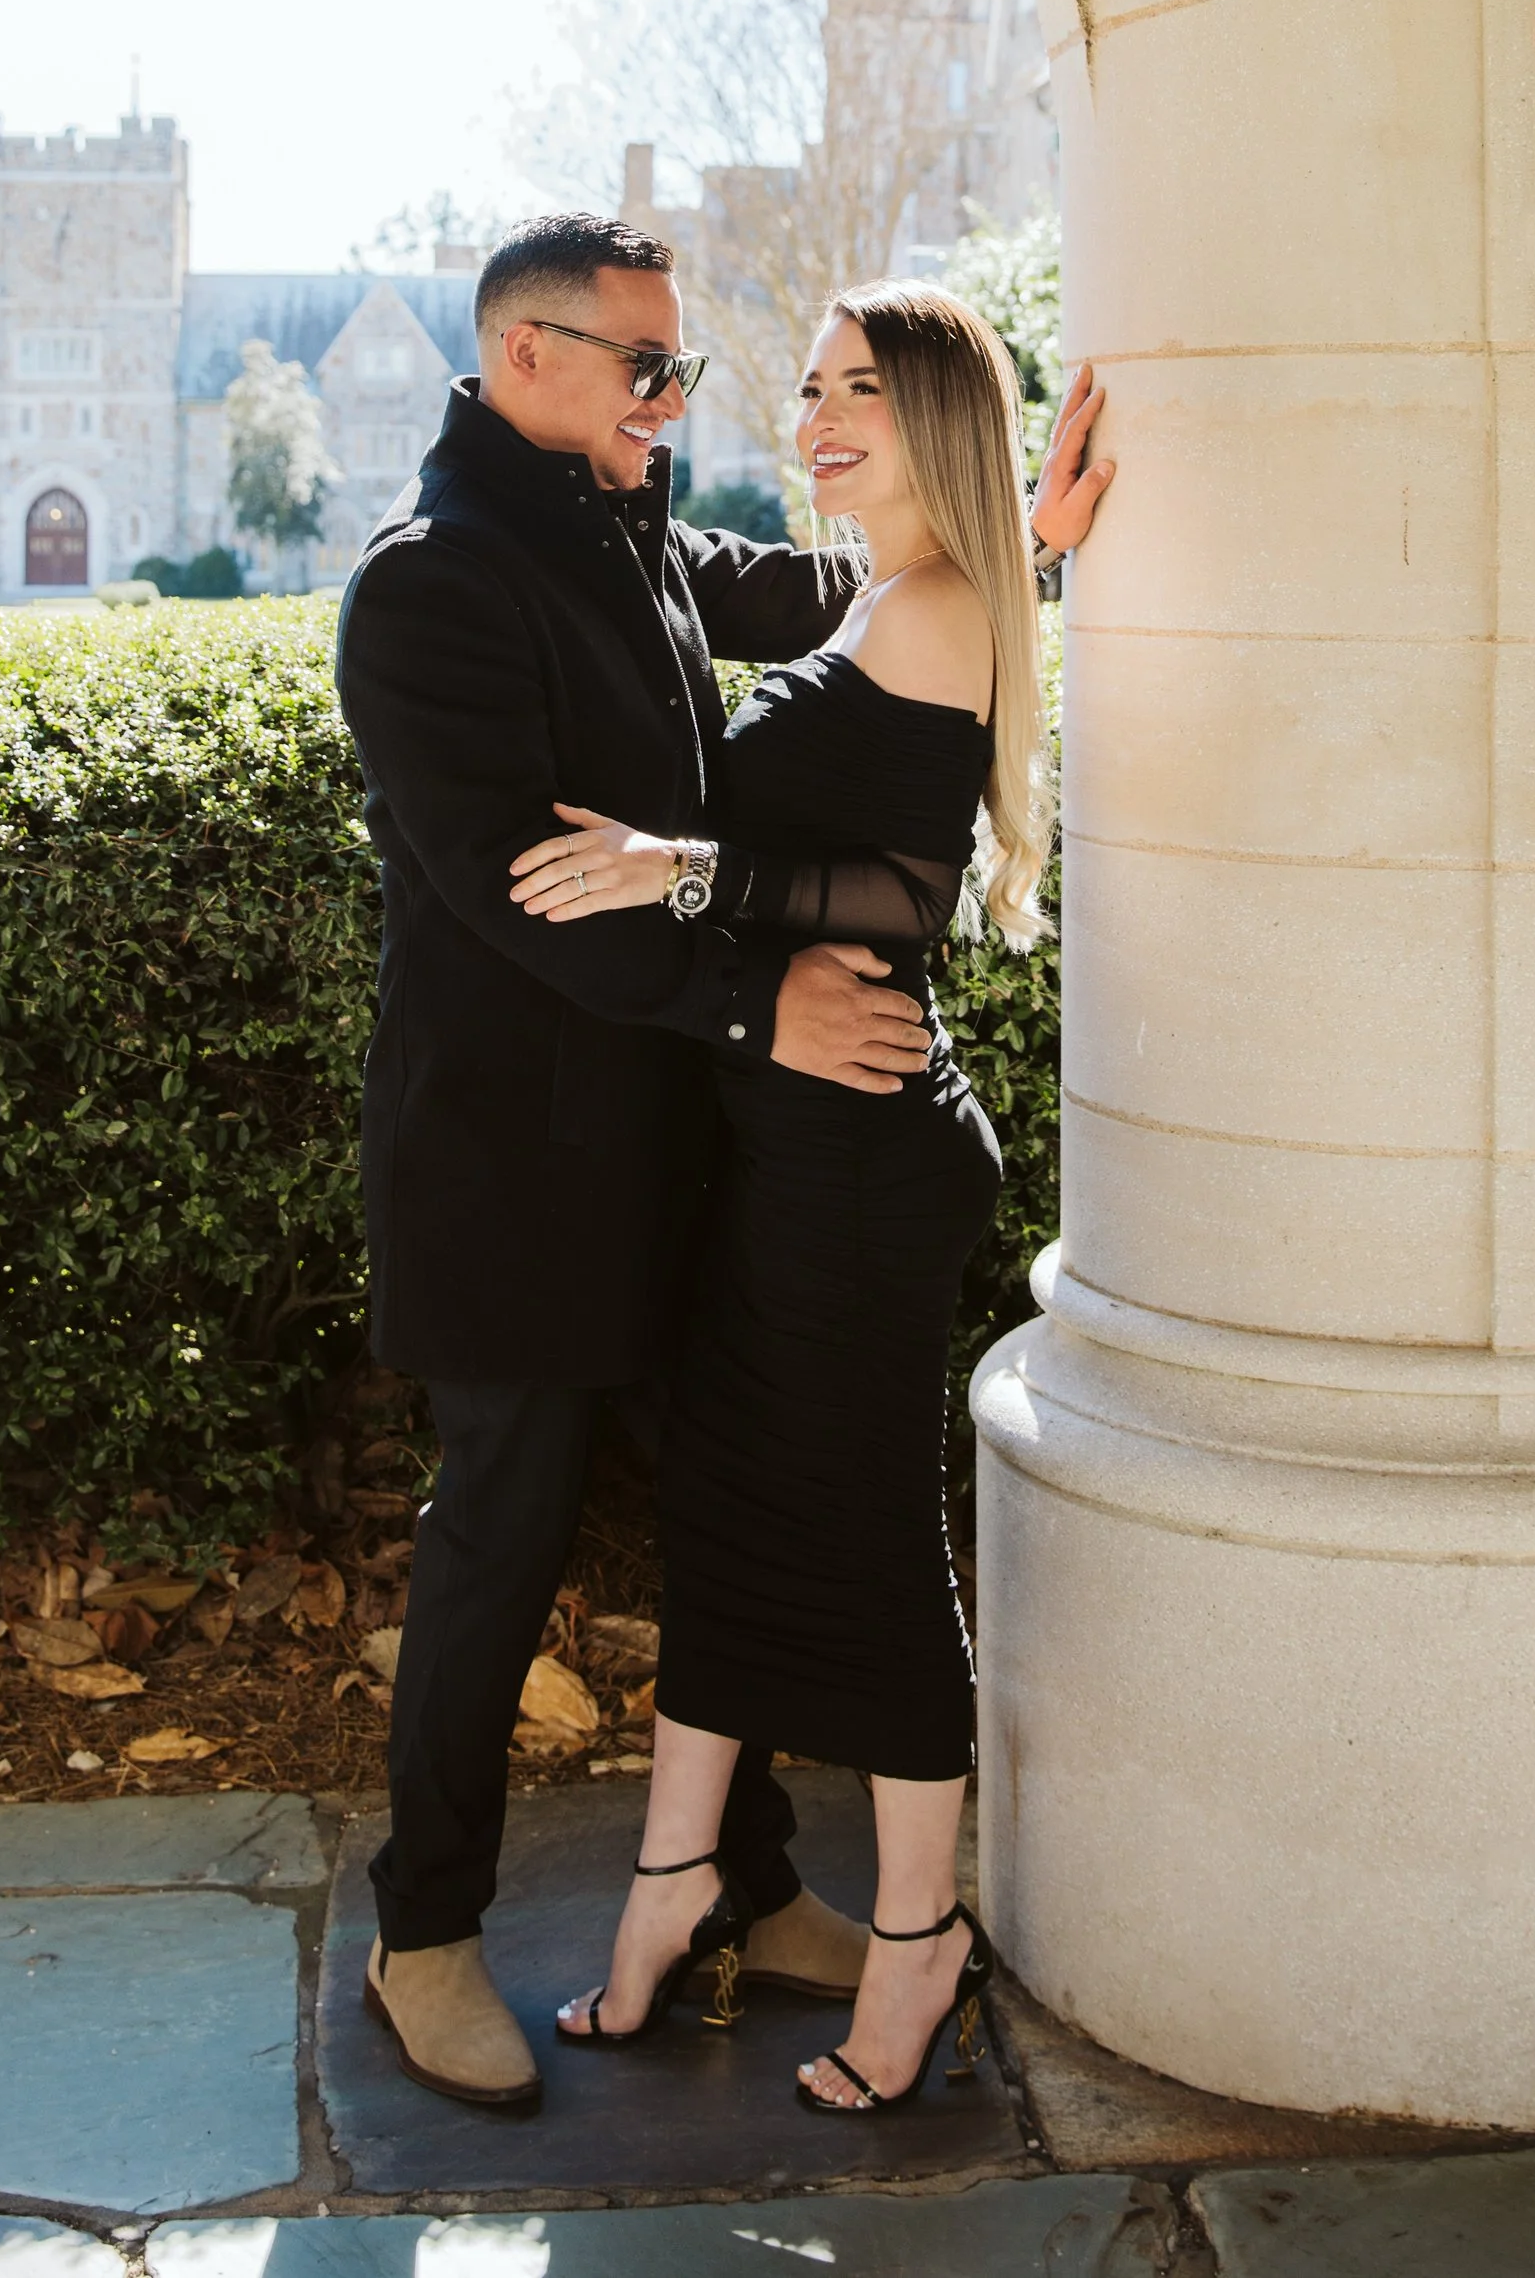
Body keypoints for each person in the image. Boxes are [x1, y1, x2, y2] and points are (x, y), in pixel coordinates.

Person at [335, 214, 950, 2114]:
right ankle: (422, 1934)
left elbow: (793, 587)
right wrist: (764, 1009)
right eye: (646, 371)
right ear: (527, 359)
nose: (675, 405)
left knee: (733, 1513)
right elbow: (530, 897)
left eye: (681, 371)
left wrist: (1016, 533)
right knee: (497, 1546)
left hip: (689, 1160)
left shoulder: (630, 528)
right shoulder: (430, 586)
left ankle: (748, 1891)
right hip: (512, 1178)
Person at [511, 284, 1110, 2113]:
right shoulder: (909, 587)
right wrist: (1029, 536)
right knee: (733, 1517)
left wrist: (663, 868)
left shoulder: (927, 609)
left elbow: (893, 892)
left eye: (861, 387)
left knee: (859, 1555)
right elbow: (912, 686)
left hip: (858, 1153)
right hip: (791, 1149)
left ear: (933, 412)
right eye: (816, 383)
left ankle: (918, 1939)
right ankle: (676, 1885)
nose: (817, 408)